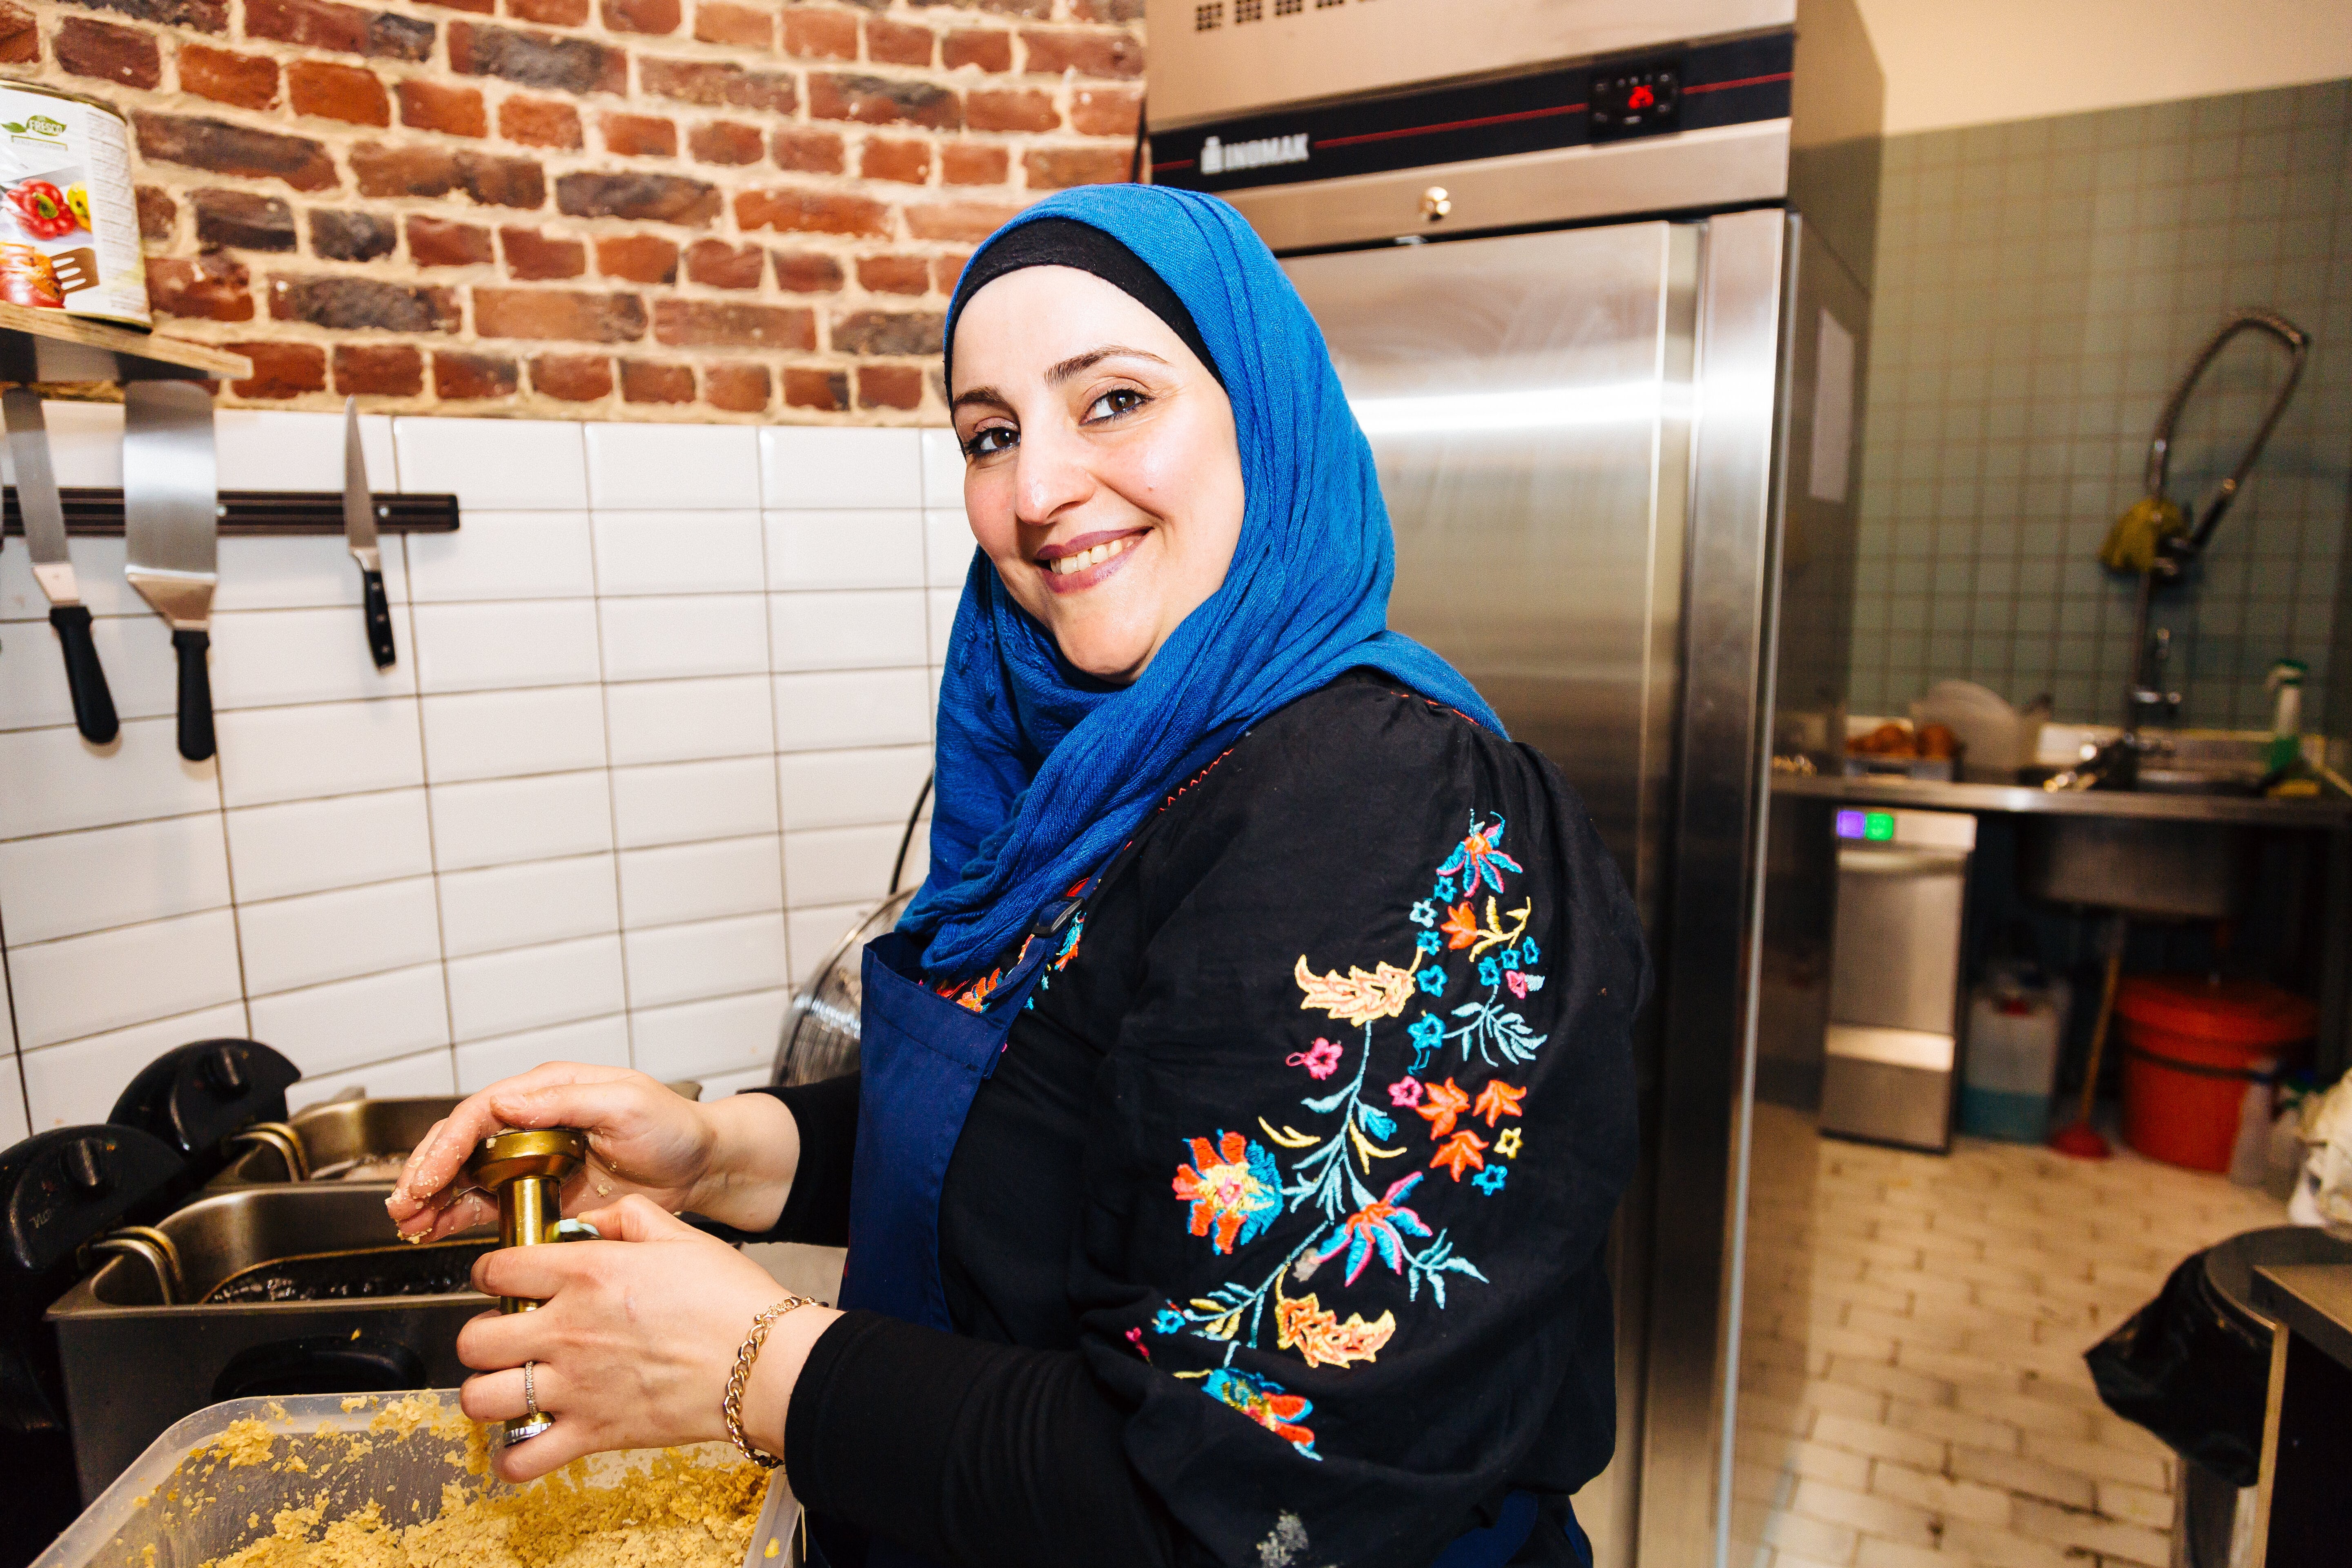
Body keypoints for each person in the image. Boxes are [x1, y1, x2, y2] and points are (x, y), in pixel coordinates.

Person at [388, 184, 1642, 1568]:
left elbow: (1226, 1504)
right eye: (992, 435)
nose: (1037, 491)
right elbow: (1077, 1123)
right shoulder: (1119, 766)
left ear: (1264, 415)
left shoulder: (1371, 808)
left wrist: (752, 1365)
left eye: (1112, 401)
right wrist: (734, 1152)